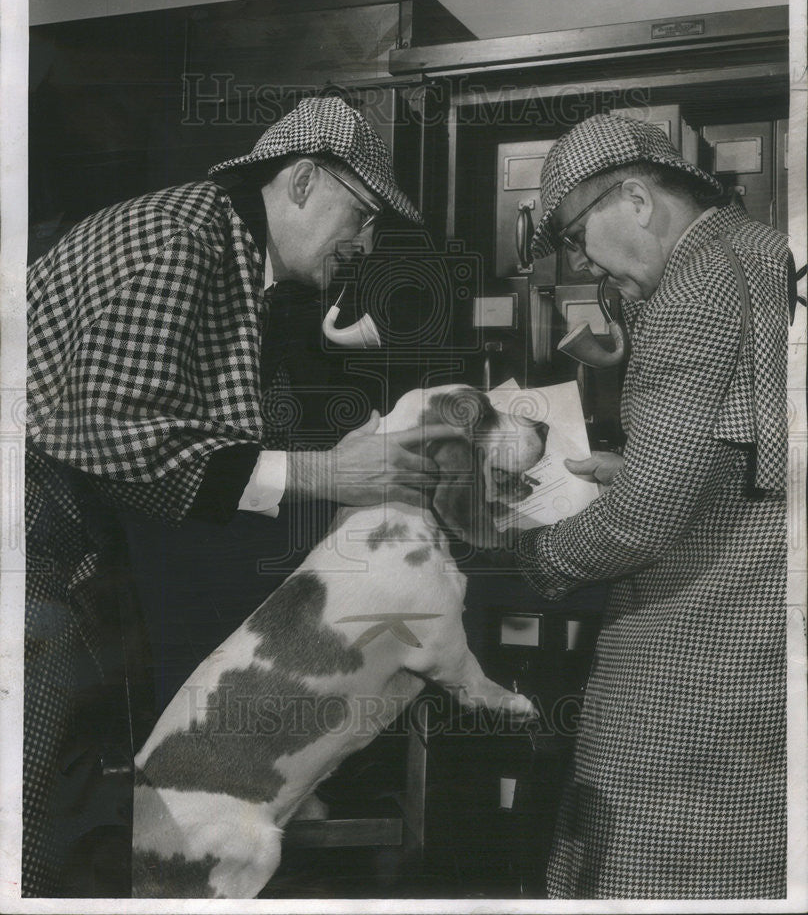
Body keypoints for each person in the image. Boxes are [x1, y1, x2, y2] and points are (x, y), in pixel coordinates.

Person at [24, 96, 459, 895]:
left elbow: (208, 438)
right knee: (26, 814)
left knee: (67, 808)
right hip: (28, 554)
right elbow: (112, 430)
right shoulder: (178, 239)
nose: (361, 247)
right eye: (359, 218)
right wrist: (329, 473)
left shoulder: (226, 252)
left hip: (65, 554)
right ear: (300, 183)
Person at [515, 113, 789, 899]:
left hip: (695, 650)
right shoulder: (767, 249)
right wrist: (642, 463)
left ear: (635, 198)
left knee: (643, 848)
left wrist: (538, 558)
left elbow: (642, 519)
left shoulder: (692, 289)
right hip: (768, 631)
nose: (582, 262)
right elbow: (741, 445)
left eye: (574, 235)